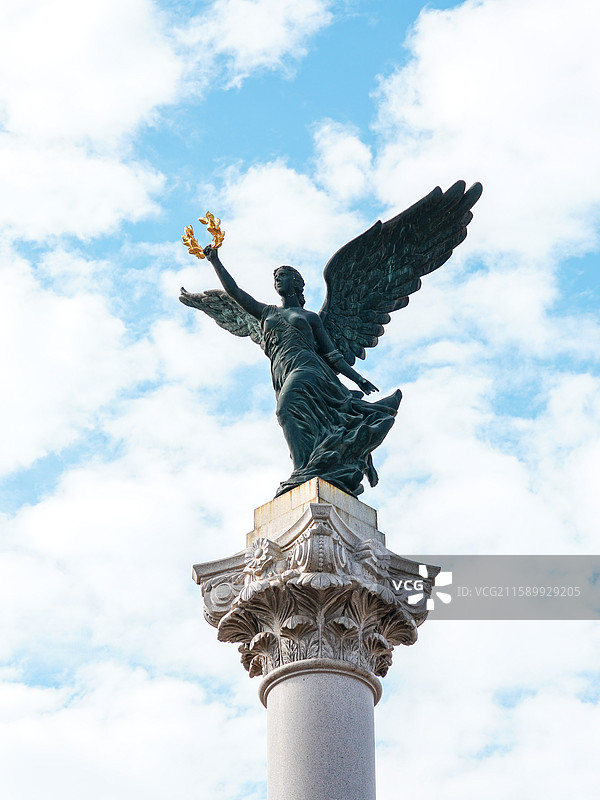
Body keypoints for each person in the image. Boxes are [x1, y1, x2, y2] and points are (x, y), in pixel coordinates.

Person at [203, 246, 402, 497]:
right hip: (283, 372)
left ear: (297, 283)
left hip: (309, 369)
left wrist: (358, 378)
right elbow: (235, 293)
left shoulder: (310, 317)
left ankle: (301, 471)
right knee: (298, 419)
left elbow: (332, 355)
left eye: (283, 275)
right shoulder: (267, 312)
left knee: (286, 409)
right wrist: (215, 261)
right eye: (275, 276)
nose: (277, 279)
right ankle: (307, 466)